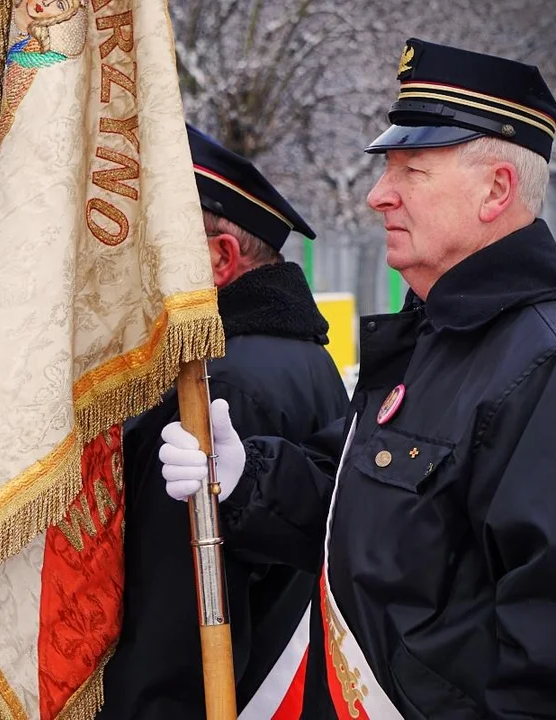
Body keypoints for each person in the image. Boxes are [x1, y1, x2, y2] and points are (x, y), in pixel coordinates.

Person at [158, 39, 556, 719]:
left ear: (496, 190)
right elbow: (361, 512)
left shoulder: (552, 369)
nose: (376, 195)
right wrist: (246, 472)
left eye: (410, 169)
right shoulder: (442, 339)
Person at [98, 125, 351, 718]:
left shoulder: (210, 387)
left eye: (154, 241)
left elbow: (177, 634)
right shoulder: (295, 354)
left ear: (219, 259)